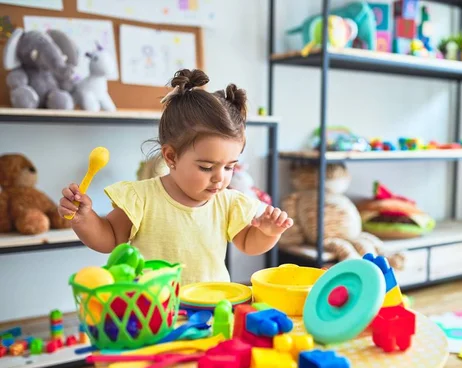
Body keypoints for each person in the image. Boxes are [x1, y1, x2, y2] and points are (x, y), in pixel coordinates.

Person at [58, 68, 293, 286]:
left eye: (230, 167)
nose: (219, 178)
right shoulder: (142, 198)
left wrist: (268, 233)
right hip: (153, 311)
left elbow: (248, 243)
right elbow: (109, 238)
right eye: (206, 167)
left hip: (210, 310)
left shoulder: (228, 202)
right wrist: (84, 218)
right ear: (171, 157)